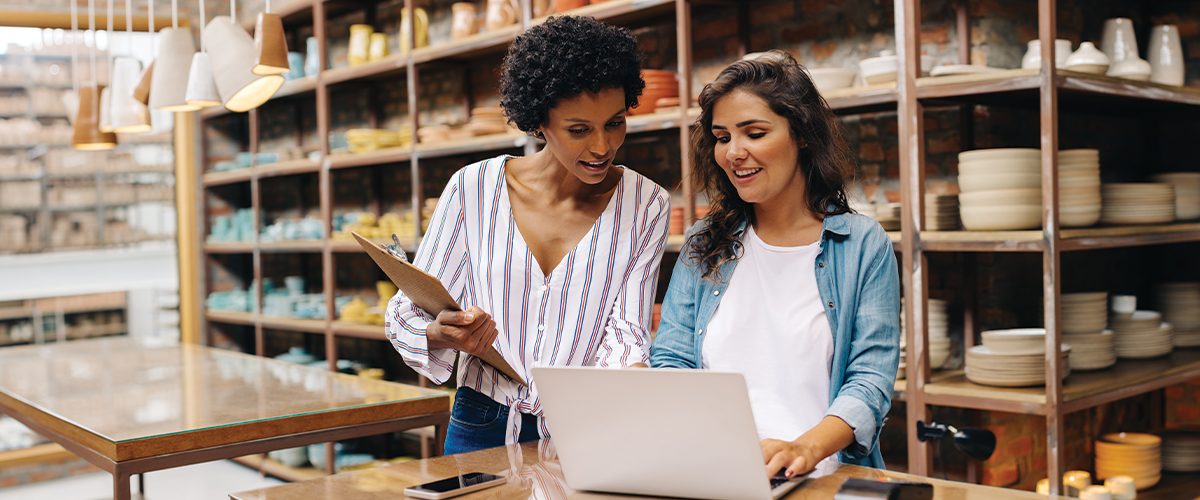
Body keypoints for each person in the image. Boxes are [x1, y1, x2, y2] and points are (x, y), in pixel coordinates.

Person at [386, 15, 670, 455]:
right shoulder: (473, 188)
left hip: (588, 425)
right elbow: (409, 311)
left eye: (614, 122)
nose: (602, 146)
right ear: (539, 121)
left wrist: (639, 394)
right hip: (481, 419)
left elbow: (626, 332)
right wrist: (445, 334)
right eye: (579, 129)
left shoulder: (646, 203)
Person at [650, 50, 899, 478]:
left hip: (817, 476)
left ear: (801, 134)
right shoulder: (704, 241)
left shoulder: (860, 244)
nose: (733, 152)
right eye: (723, 136)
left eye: (755, 133)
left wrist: (805, 448)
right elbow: (671, 359)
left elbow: (870, 380)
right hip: (715, 473)